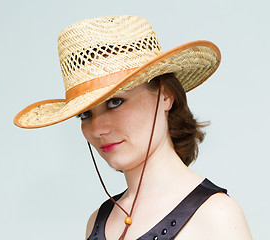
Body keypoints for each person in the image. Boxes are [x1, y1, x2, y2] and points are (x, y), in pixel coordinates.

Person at [14, 16, 252, 240]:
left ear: (165, 94)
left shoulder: (216, 217)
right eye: (85, 114)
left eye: (115, 102)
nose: (97, 129)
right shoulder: (98, 221)